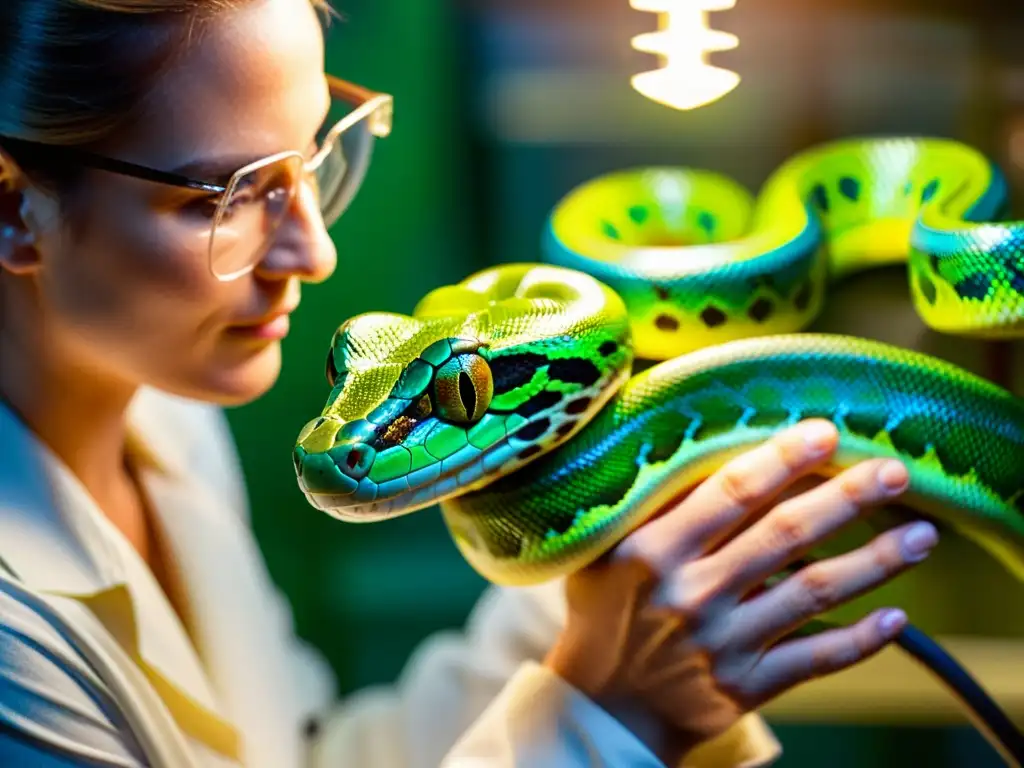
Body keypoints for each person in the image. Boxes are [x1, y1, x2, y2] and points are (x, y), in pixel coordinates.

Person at [0, 0, 940, 766]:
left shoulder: (167, 420)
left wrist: (605, 578)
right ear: (15, 207)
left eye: (313, 158)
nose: (316, 253)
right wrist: (607, 719)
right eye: (232, 195)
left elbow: (297, 755)